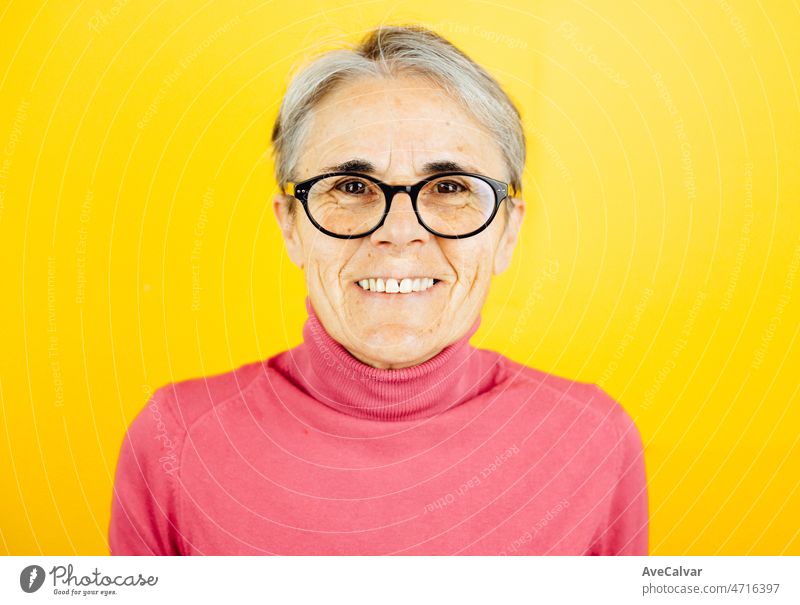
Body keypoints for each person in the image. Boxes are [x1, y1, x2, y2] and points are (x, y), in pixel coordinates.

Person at [109, 24, 648, 555]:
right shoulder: (173, 439)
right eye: (350, 187)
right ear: (291, 226)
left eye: (450, 187)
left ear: (507, 231)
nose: (398, 232)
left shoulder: (594, 439)